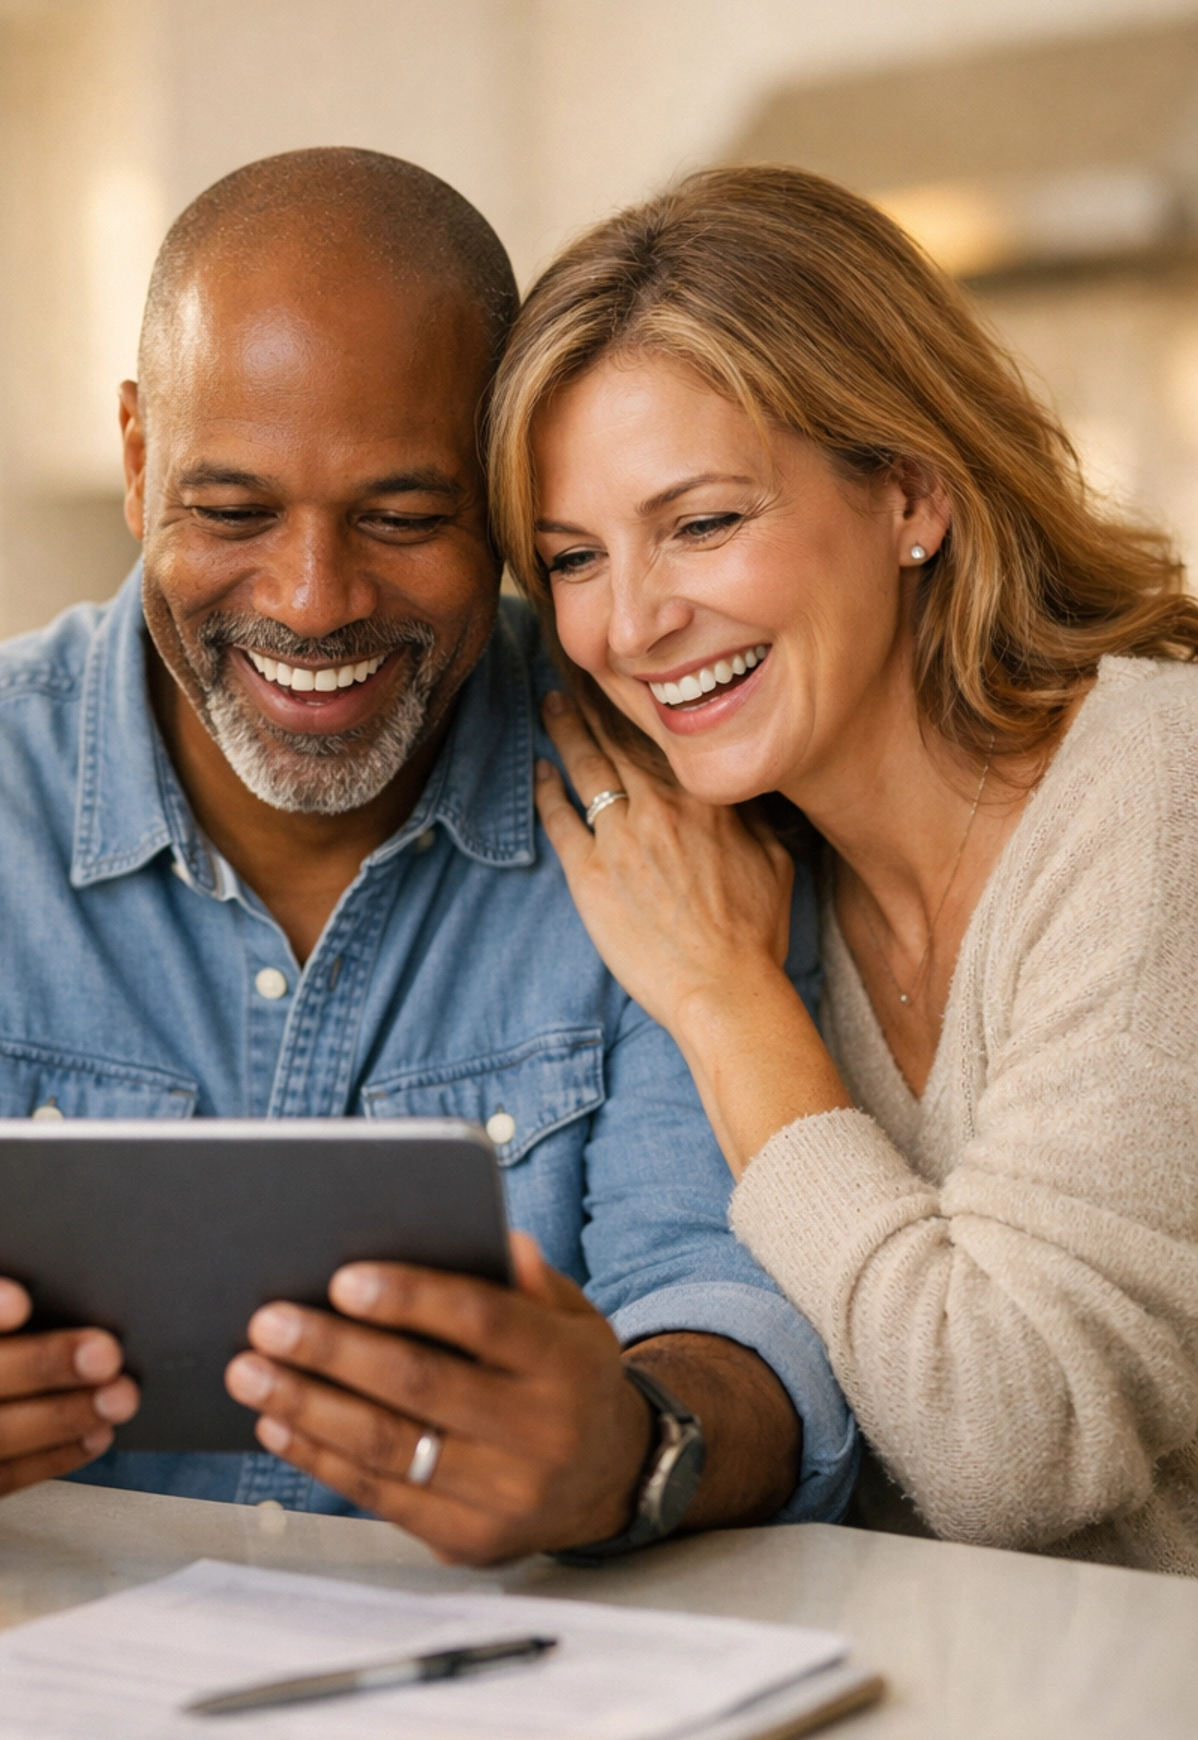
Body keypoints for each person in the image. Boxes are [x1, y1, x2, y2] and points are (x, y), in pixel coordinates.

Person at [0, 148, 855, 1564]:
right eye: (230, 513)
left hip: (503, 1690)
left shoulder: (664, 793)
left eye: (404, 518)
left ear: (505, 496)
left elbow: (736, 1312)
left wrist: (634, 1445)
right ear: (134, 460)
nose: (312, 601)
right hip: (3, 1685)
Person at [488, 162, 1198, 1574]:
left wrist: (727, 1005)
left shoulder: (1154, 801)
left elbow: (1012, 1447)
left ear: (910, 496)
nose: (633, 622)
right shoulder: (757, 858)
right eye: (573, 557)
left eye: (702, 523)